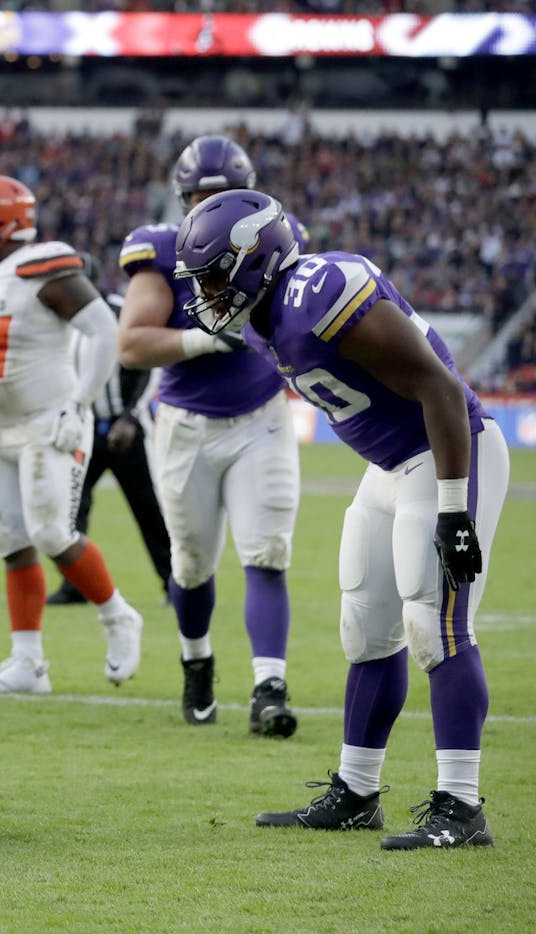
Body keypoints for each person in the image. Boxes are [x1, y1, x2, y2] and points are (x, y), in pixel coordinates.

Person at [175, 188, 508, 849]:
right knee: (366, 625)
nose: (206, 291)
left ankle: (462, 807)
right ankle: (356, 792)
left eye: (214, 274)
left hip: (445, 452)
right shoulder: (263, 317)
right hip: (388, 465)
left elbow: (440, 387)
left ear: (255, 259)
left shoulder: (319, 291)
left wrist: (452, 508)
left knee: (436, 625)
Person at [115, 136, 303, 736]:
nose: (210, 207)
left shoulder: (279, 236)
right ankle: (197, 662)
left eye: (220, 196)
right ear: (182, 197)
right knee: (191, 563)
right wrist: (202, 339)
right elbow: (132, 343)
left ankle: (269, 686)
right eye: (199, 196)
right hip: (187, 426)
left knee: (266, 553)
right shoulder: (164, 250)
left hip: (262, 416)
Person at [0, 175, 144, 694]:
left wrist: (79, 403)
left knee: (53, 532)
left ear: (1, 219)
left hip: (47, 421)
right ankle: (27, 662)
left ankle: (119, 618)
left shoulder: (43, 266)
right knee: (11, 541)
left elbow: (103, 329)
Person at [47, 288, 172, 607]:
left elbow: (150, 364)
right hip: (85, 427)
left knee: (149, 509)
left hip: (127, 433)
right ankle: (75, 584)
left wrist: (131, 415)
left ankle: (175, 584)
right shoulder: (65, 323)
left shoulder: (121, 313)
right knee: (71, 504)